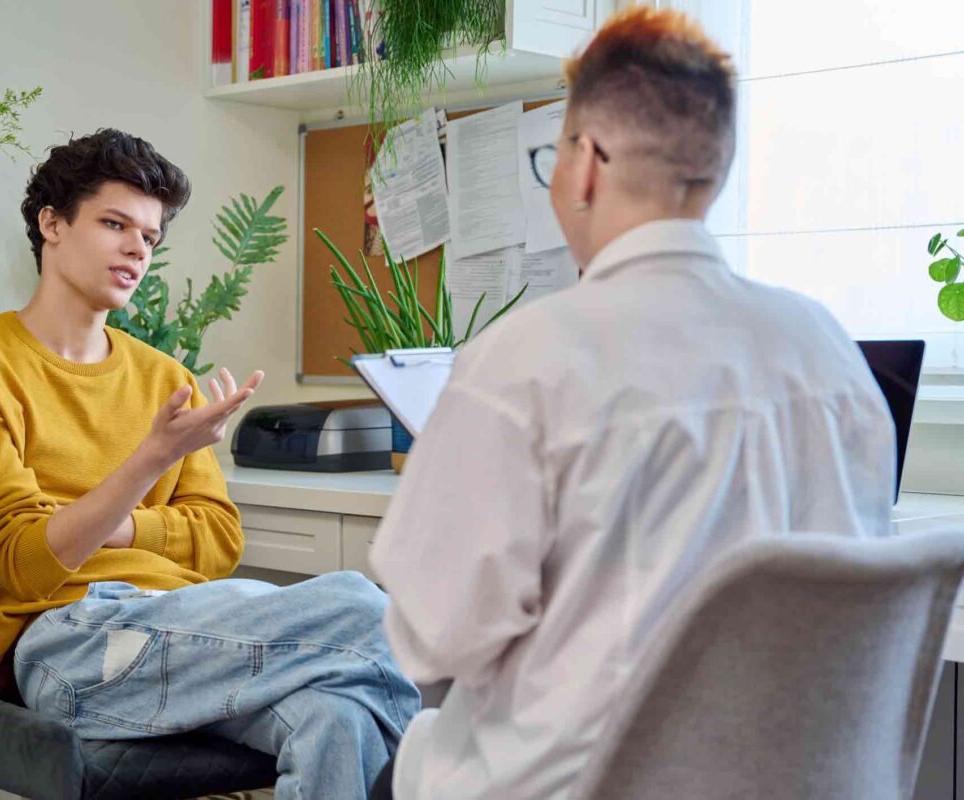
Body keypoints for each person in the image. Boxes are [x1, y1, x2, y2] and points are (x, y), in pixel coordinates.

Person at [368, 8, 895, 800]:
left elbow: (431, 641)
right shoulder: (830, 355)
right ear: (713, 172)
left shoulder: (525, 361)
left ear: (583, 166)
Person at [0, 128, 419, 800]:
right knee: (362, 605)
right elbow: (25, 563)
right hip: (71, 646)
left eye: (150, 237)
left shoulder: (163, 377)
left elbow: (217, 541)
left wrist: (103, 527)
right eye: (115, 224)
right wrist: (153, 460)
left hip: (194, 626)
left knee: (339, 716)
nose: (136, 249)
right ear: (52, 224)